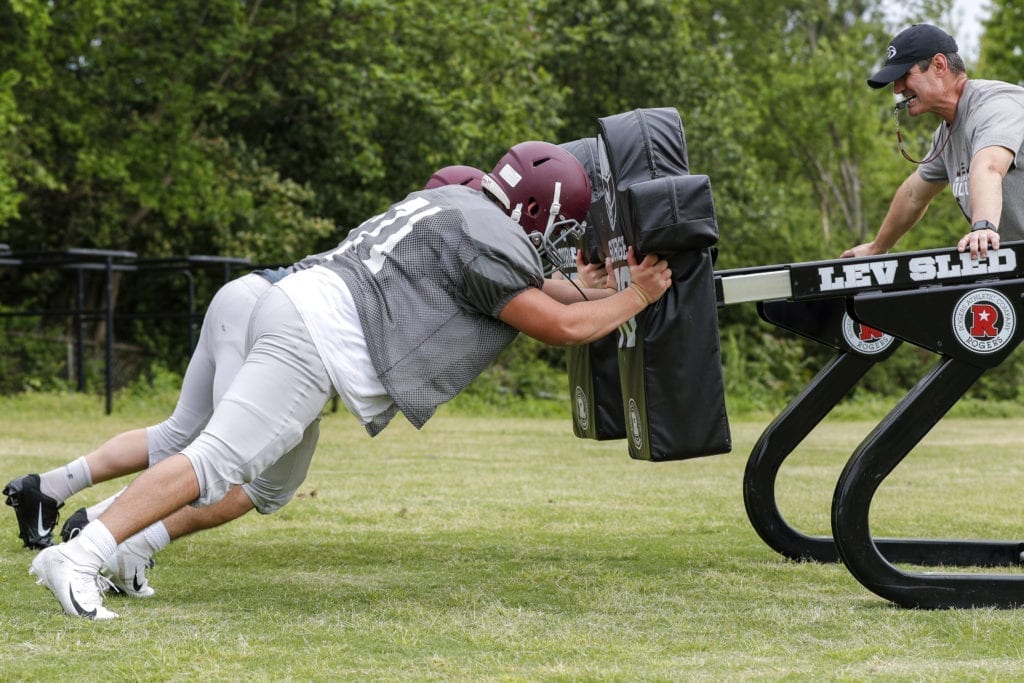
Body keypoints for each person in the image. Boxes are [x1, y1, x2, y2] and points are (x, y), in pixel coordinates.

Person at [26, 141, 673, 619]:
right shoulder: (489, 239)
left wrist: (591, 287)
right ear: (537, 208)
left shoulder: (454, 201)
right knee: (216, 459)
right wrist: (638, 293)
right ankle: (81, 553)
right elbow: (559, 327)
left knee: (273, 484)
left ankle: (133, 541)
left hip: (301, 307)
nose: (557, 239)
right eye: (560, 224)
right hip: (317, 334)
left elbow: (510, 286)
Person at [3, 166, 491, 597]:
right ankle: (107, 530)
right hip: (278, 314)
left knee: (185, 436)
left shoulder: (402, 227)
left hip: (249, 294)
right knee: (238, 466)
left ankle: (47, 488)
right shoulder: (447, 244)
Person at [842, 23, 1024, 261]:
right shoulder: (945, 133)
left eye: (904, 76)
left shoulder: (994, 106)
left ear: (939, 65)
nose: (898, 89)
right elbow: (913, 194)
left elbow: (989, 165)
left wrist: (983, 228)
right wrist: (877, 247)